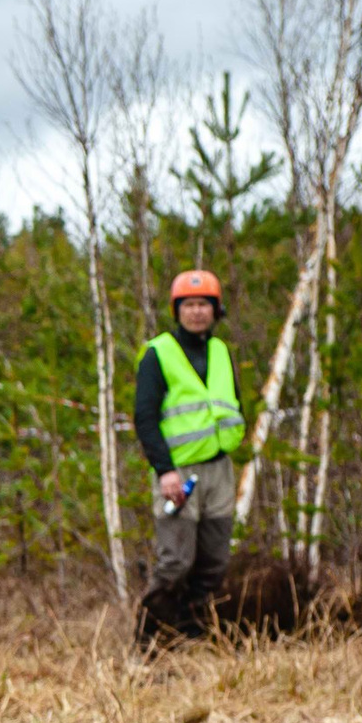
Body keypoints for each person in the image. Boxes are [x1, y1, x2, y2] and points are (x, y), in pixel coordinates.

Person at [133, 269, 243, 639]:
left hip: (219, 472)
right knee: (176, 561)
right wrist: (165, 471)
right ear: (177, 309)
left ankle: (195, 638)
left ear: (216, 310)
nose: (197, 312)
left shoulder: (221, 352)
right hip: (178, 473)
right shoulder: (158, 353)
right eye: (189, 304)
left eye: (204, 304)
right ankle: (150, 639)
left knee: (214, 563)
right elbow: (145, 418)